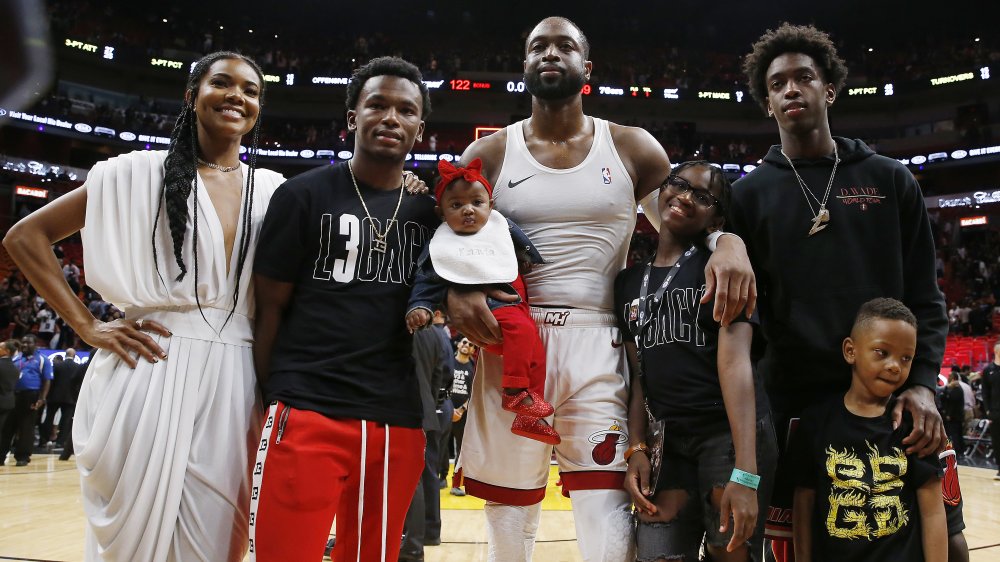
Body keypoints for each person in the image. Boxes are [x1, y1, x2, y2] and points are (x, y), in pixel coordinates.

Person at [446, 16, 755, 562]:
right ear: (524, 65)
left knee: (606, 521)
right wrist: (455, 294)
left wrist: (728, 242)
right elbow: (450, 242)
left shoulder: (633, 148)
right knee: (510, 518)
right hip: (514, 341)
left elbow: (688, 223)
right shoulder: (490, 153)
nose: (550, 53)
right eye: (537, 45)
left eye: (564, 46)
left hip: (599, 338)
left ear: (585, 68)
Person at [2, 51, 285, 560]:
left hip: (238, 378)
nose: (236, 96)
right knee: (131, 546)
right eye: (222, 83)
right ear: (192, 94)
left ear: (259, 108)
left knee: (220, 544)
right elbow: (26, 236)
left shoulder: (273, 190)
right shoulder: (133, 173)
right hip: (150, 363)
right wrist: (87, 326)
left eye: (250, 90)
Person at [734, 23, 966, 561]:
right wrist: (723, 239)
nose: (791, 89)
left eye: (804, 77)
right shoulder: (747, 197)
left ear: (829, 89)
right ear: (767, 102)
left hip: (889, 398)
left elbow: (925, 298)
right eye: (778, 84)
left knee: (947, 543)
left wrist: (924, 384)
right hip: (793, 406)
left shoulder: (890, 180)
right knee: (799, 548)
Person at [248, 56, 438, 562]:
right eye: (377, 104)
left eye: (406, 109)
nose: (391, 118)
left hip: (396, 421)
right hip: (307, 406)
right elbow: (269, 311)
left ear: (420, 127)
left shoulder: (431, 212)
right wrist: (273, 399)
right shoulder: (301, 195)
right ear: (353, 117)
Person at [618, 161, 778, 562]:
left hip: (725, 435)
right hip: (668, 441)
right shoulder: (626, 282)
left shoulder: (722, 268)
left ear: (716, 217)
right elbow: (639, 376)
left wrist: (745, 473)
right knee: (657, 554)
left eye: (703, 196)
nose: (686, 197)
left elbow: (738, 365)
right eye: (678, 184)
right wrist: (637, 445)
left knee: (733, 554)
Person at [406, 159, 558, 444]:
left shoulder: (499, 227)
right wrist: (420, 307)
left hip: (513, 316)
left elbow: (519, 239)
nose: (468, 210)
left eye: (477, 202)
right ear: (440, 212)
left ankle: (529, 413)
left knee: (535, 352)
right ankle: (514, 393)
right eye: (456, 205)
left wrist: (528, 260)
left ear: (491, 205)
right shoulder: (441, 244)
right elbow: (427, 279)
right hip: (495, 315)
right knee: (524, 333)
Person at [789, 298, 946, 562]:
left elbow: (932, 511)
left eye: (906, 358)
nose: (895, 365)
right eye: (882, 352)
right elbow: (803, 504)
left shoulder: (911, 423)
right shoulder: (816, 422)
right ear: (850, 351)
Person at [0, 334, 52, 466]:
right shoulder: (16, 358)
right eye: (23, 343)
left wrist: (42, 398)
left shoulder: (42, 360)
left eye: (28, 343)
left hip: (31, 395)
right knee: (7, 426)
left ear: (36, 344)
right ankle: (1, 455)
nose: (25, 345)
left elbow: (47, 380)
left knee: (26, 427)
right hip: (14, 395)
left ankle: (22, 456)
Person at [448, 336, 476, 495]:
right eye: (464, 342)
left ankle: (456, 484)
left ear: (473, 350)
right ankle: (440, 479)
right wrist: (449, 408)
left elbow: (474, 393)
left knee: (462, 449)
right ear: (458, 344)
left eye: (471, 344)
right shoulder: (448, 362)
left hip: (463, 413)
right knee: (438, 446)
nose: (467, 345)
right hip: (445, 410)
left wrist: (460, 410)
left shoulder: (473, 368)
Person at [980, 342, 1000, 479]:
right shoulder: (988, 370)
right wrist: (987, 411)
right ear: (996, 352)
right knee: (997, 441)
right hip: (995, 412)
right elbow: (985, 393)